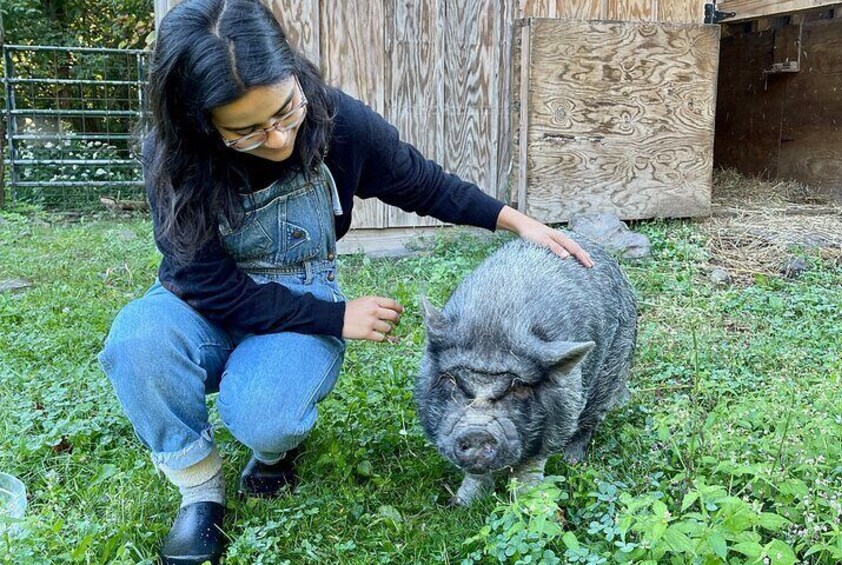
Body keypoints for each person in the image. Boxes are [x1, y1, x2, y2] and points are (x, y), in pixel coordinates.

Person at [98, 0, 593, 563]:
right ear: (199, 122)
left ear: (293, 75)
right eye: (247, 132)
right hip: (201, 299)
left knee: (267, 417)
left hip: (299, 287)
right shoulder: (173, 157)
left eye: (286, 112)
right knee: (137, 343)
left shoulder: (338, 122)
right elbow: (204, 282)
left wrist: (516, 220)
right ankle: (200, 492)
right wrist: (335, 318)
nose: (280, 139)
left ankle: (273, 448)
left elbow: (420, 181)